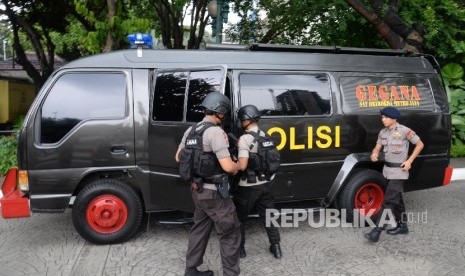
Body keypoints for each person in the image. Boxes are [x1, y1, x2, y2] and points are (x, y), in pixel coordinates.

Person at [175, 92, 241, 276]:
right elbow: (228, 167)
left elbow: (178, 157)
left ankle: (191, 270)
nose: (224, 117)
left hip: (197, 190)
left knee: (200, 228)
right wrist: (237, 166)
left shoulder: (191, 130)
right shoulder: (216, 132)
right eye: (224, 113)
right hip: (215, 194)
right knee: (230, 232)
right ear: (219, 112)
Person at [364, 106, 424, 243]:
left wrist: (409, 161)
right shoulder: (382, 133)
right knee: (397, 201)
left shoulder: (404, 131)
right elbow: (378, 147)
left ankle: (377, 231)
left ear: (394, 118)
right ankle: (402, 226)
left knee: (389, 201)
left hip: (399, 172)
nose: (383, 119)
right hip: (387, 171)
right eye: (382, 117)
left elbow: (420, 144)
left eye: (386, 117)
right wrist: (374, 154)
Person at [233, 105, 282, 259]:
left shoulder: (245, 139)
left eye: (242, 119)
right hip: (265, 185)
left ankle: (240, 250)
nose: (241, 122)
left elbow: (242, 165)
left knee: (239, 219)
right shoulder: (265, 136)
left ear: (246, 120)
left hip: (247, 187)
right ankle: (276, 247)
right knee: (269, 216)